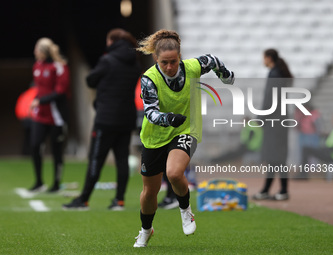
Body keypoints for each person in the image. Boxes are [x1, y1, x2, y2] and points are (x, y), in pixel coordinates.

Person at [133, 29, 235, 247]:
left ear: (180, 57)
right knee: (149, 192)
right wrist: (168, 118)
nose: (169, 67)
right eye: (164, 63)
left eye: (173, 61)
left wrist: (225, 75)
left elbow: (214, 60)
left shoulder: (193, 66)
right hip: (155, 136)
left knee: (174, 172)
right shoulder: (149, 79)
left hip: (186, 129)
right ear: (155, 59)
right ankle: (145, 229)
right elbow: (150, 112)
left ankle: (186, 210)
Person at [63, 29, 141, 210]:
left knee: (96, 159)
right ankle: (119, 200)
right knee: (122, 159)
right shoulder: (134, 63)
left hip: (106, 118)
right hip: (126, 118)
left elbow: (91, 80)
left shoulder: (107, 60)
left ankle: (84, 199)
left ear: (112, 41)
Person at [29, 38, 70, 192]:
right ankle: (39, 182)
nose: (34, 52)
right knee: (35, 145)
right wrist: (35, 101)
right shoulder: (37, 66)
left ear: (44, 51)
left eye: (36, 49)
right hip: (40, 115)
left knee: (56, 150)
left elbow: (60, 92)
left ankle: (56, 184)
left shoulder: (59, 67)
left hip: (56, 116)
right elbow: (40, 89)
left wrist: (40, 101)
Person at [252, 49, 293, 201]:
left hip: (274, 121)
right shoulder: (278, 73)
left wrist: (260, 117)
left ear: (269, 58)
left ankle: (279, 190)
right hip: (280, 120)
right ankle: (273, 190)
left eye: (264, 58)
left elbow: (270, 99)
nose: (263, 61)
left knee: (275, 157)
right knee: (276, 157)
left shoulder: (274, 74)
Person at [301, 114, 333, 180]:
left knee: (306, 149)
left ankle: (303, 174)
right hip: (328, 153)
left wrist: (326, 149)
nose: (332, 121)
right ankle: (303, 174)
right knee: (306, 148)